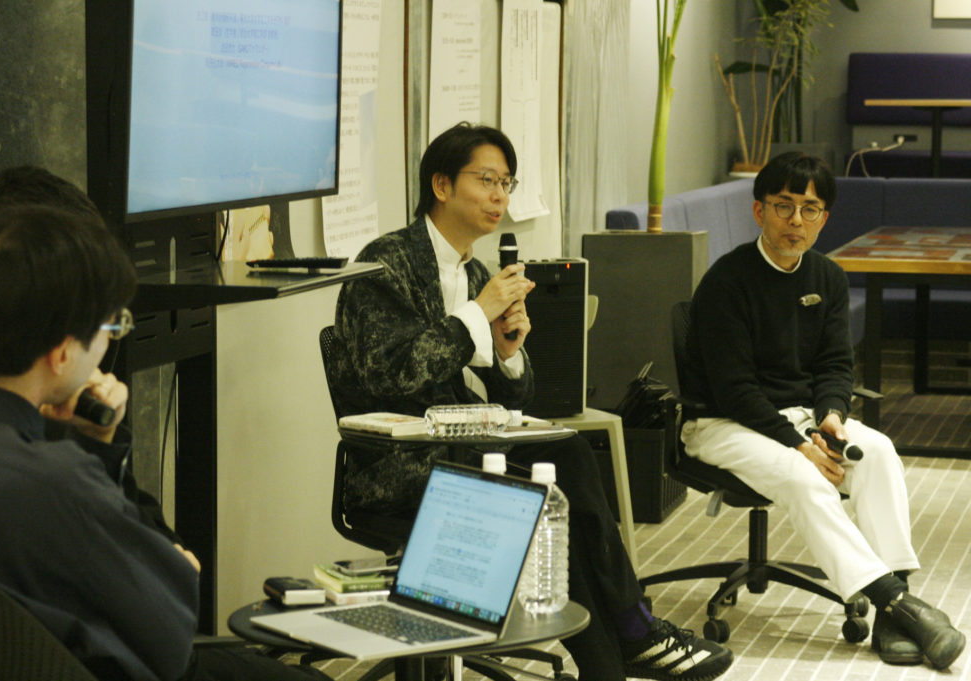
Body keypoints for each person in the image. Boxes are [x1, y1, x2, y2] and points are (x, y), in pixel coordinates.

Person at [328, 122, 734, 681]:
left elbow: (521, 397)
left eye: (507, 184)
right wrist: (477, 313)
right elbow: (393, 376)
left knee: (566, 456)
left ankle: (625, 641)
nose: (500, 196)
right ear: (441, 186)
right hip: (395, 465)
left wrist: (507, 352)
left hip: (460, 447)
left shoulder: (473, 270)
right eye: (486, 180)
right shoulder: (385, 264)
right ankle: (629, 637)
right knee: (553, 487)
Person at [0, 205, 328, 681]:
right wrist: (175, 568)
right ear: (61, 353)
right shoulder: (51, 481)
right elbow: (169, 644)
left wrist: (96, 445)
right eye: (109, 329)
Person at [678, 151, 966, 670]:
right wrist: (799, 445)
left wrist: (832, 415)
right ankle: (898, 604)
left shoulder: (827, 277)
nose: (796, 220)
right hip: (723, 421)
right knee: (804, 477)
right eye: (783, 206)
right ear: (759, 210)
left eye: (809, 209)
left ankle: (890, 612)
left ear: (824, 218)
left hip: (800, 416)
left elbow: (836, 365)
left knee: (879, 452)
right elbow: (734, 389)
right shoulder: (728, 281)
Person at [0, 165, 178, 547]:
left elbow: (146, 532)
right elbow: (166, 572)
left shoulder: (63, 402)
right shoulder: (41, 472)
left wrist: (98, 440)